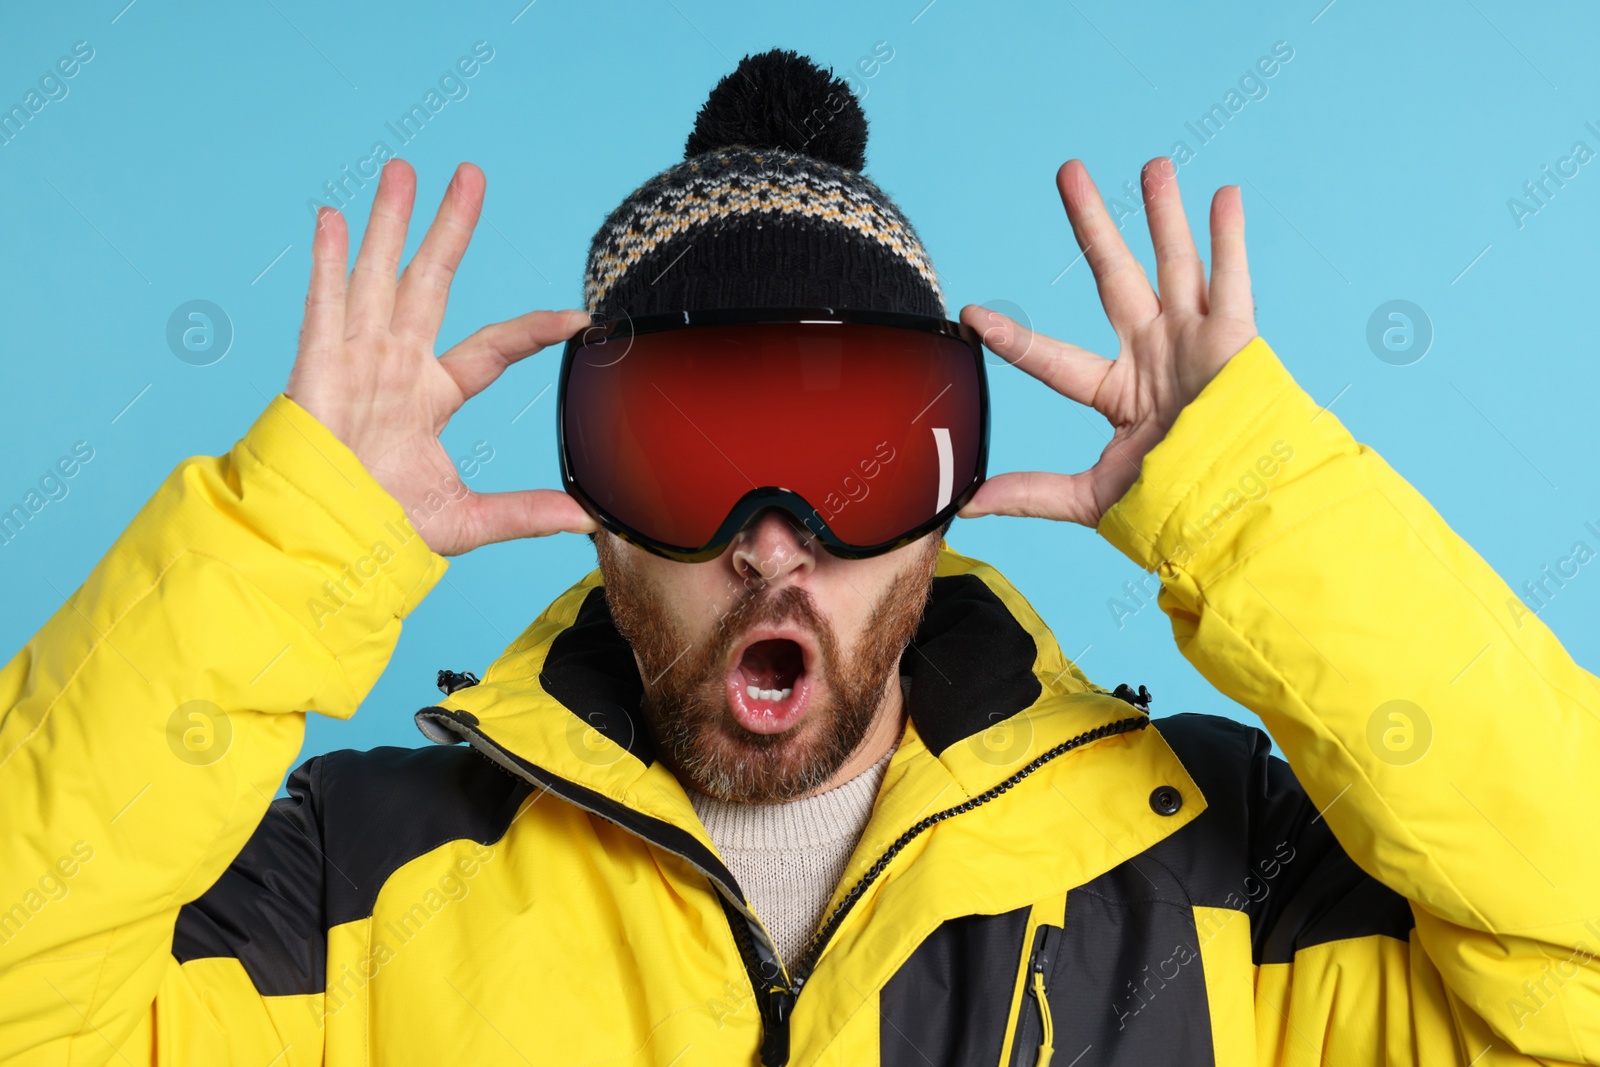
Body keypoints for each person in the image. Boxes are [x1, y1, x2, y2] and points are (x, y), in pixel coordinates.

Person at [1, 47, 1594, 1067]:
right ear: (596, 501)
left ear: (949, 491)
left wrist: (1259, 502)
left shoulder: (1206, 863)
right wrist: (292, 544)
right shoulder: (359, 877)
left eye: (855, 457)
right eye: (687, 449)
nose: (778, 543)